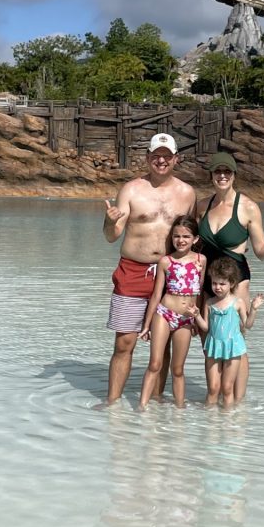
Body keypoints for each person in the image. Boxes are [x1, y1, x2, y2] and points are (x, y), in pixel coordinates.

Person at [196, 151, 264, 401]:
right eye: (217, 171)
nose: (222, 176)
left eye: (227, 171)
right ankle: (215, 398)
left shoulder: (248, 207)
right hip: (207, 278)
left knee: (236, 342)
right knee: (209, 340)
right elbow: (190, 242)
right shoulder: (202, 205)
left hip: (236, 279)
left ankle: (236, 404)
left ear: (234, 175)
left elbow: (261, 252)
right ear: (211, 175)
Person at [102, 133, 197, 406]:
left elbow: (191, 235)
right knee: (124, 342)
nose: (161, 160)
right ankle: (112, 402)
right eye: (156, 155)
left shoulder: (187, 193)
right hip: (133, 271)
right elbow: (112, 236)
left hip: (171, 275)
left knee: (163, 343)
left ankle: (155, 400)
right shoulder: (131, 190)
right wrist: (109, 222)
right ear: (147, 158)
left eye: (167, 156)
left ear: (176, 159)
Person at [136, 216, 205, 409]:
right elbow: (157, 294)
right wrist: (146, 325)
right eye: (176, 236)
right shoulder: (166, 261)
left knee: (178, 369)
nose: (181, 240)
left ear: (195, 239)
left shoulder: (201, 260)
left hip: (185, 319)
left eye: (186, 236)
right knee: (155, 363)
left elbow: (198, 292)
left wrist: (196, 320)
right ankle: (141, 407)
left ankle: (180, 410)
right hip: (164, 313)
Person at [192, 257, 256, 407]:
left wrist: (253, 309)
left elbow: (247, 324)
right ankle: (210, 423)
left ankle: (228, 423)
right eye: (214, 283)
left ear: (232, 283)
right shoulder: (209, 303)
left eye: (222, 284)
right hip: (213, 347)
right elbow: (206, 328)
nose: (218, 287)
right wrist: (196, 315)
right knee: (213, 388)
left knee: (227, 388)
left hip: (233, 348)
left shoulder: (238, 302)